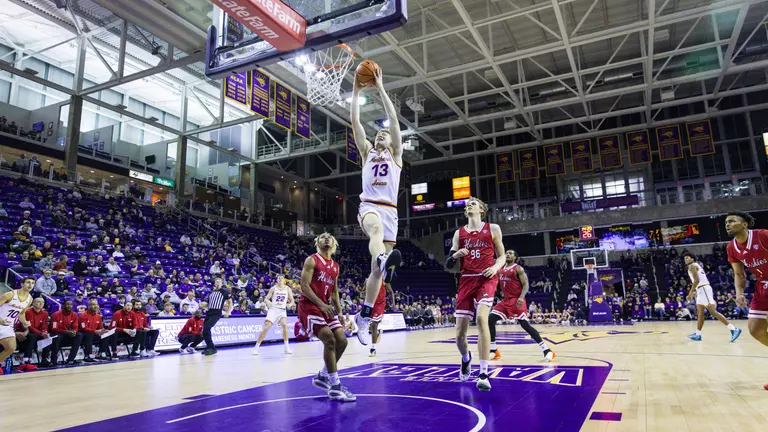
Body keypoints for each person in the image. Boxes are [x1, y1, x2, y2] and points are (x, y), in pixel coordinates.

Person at [350, 68, 404, 346]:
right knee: (375, 233)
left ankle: (365, 314)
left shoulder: (396, 155)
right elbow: (355, 122)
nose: (382, 134)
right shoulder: (366, 152)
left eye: (385, 133)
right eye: (379, 133)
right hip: (370, 205)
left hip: (391, 209)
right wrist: (357, 91)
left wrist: (380, 87)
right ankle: (382, 259)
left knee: (376, 274)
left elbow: (394, 119)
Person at [444, 197, 505, 392]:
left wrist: (495, 267)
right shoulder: (459, 233)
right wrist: (455, 255)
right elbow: (448, 263)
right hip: (466, 280)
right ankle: (466, 358)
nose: (469, 205)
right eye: (467, 204)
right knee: (460, 335)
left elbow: (502, 256)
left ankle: (484, 373)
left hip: (486, 278)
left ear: (481, 209)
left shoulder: (492, 228)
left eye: (473, 203)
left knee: (481, 319)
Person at [298, 233, 354, 401]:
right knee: (329, 339)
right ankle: (335, 385)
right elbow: (304, 286)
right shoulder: (312, 260)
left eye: (330, 237)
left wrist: (340, 313)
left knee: (342, 341)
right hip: (309, 306)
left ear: (334, 243)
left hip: (326, 307)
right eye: (322, 237)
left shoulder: (335, 266)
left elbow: (335, 292)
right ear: (318, 243)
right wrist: (322, 304)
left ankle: (323, 376)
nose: (326, 238)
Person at [725, 211, 768, 389]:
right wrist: (739, 293)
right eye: (726, 222)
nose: (728, 224)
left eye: (732, 221)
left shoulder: (762, 235)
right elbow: (739, 273)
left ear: (744, 224)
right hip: (761, 286)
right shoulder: (731, 247)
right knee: (755, 329)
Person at [488, 250, 555, 362]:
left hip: (517, 300)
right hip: (505, 301)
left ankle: (547, 350)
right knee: (490, 319)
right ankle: (494, 349)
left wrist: (521, 297)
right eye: (506, 253)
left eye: (510, 253)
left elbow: (526, 284)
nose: (507, 254)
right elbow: (499, 285)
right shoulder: (501, 269)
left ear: (515, 257)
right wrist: (498, 293)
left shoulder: (518, 268)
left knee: (525, 325)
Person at [683, 252, 741, 342]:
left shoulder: (692, 266)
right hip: (701, 290)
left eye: (688, 257)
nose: (686, 259)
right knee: (700, 313)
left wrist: (690, 293)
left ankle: (733, 329)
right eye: (685, 258)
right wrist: (696, 291)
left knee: (713, 312)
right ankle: (698, 334)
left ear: (692, 259)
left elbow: (696, 281)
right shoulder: (694, 266)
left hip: (704, 289)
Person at [252, 275, 295, 355]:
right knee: (266, 327)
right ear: (277, 280)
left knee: (285, 325)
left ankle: (286, 347)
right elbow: (266, 299)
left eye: (281, 278)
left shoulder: (288, 289)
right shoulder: (273, 288)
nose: (280, 279)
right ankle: (256, 347)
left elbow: (292, 300)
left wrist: (290, 304)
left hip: (282, 310)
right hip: (273, 309)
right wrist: (268, 302)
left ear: (284, 280)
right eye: (278, 278)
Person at [0, 277, 34, 374]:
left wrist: (24, 322)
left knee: (11, 348)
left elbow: (21, 313)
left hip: (7, 326)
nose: (30, 285)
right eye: (28, 282)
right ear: (22, 284)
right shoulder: (10, 295)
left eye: (32, 283)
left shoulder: (30, 299)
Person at [201, 277, 232, 356]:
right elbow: (207, 303)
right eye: (216, 282)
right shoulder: (211, 292)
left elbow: (230, 302)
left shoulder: (224, 292)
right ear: (214, 283)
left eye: (219, 282)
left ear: (222, 283)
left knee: (207, 328)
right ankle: (210, 347)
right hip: (209, 312)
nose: (217, 283)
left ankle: (212, 348)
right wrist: (203, 305)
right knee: (205, 331)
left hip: (216, 313)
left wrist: (228, 312)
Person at [47, 299, 84, 365]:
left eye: (71, 304)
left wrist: (74, 332)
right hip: (58, 333)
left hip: (67, 334)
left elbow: (75, 327)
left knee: (79, 335)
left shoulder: (74, 315)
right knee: (57, 337)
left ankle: (71, 359)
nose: (69, 306)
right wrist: (66, 331)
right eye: (67, 304)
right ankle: (53, 360)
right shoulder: (56, 315)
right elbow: (54, 329)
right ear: (63, 305)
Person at [368, 279, 394, 358]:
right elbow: (364, 293)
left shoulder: (384, 280)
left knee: (374, 324)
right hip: (371, 303)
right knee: (371, 327)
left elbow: (391, 292)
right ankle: (378, 333)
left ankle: (373, 349)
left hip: (380, 304)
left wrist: (392, 303)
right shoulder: (370, 279)